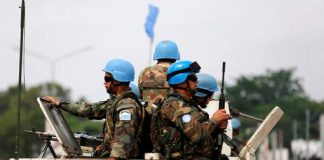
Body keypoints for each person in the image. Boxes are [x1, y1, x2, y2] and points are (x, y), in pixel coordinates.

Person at [43, 58, 144, 159]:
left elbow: (122, 144)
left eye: (107, 78)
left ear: (118, 79)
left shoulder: (126, 107)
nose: (104, 82)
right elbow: (90, 109)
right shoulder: (115, 103)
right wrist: (60, 103)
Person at [152, 60, 230, 159]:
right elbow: (197, 135)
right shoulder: (174, 105)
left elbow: (205, 135)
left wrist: (218, 127)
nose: (197, 81)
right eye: (193, 78)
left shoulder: (188, 105)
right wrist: (215, 121)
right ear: (182, 82)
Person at [138, 40, 180, 114]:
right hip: (169, 117)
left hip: (148, 117)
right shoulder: (177, 72)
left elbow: (140, 93)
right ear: (176, 56)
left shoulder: (145, 72)